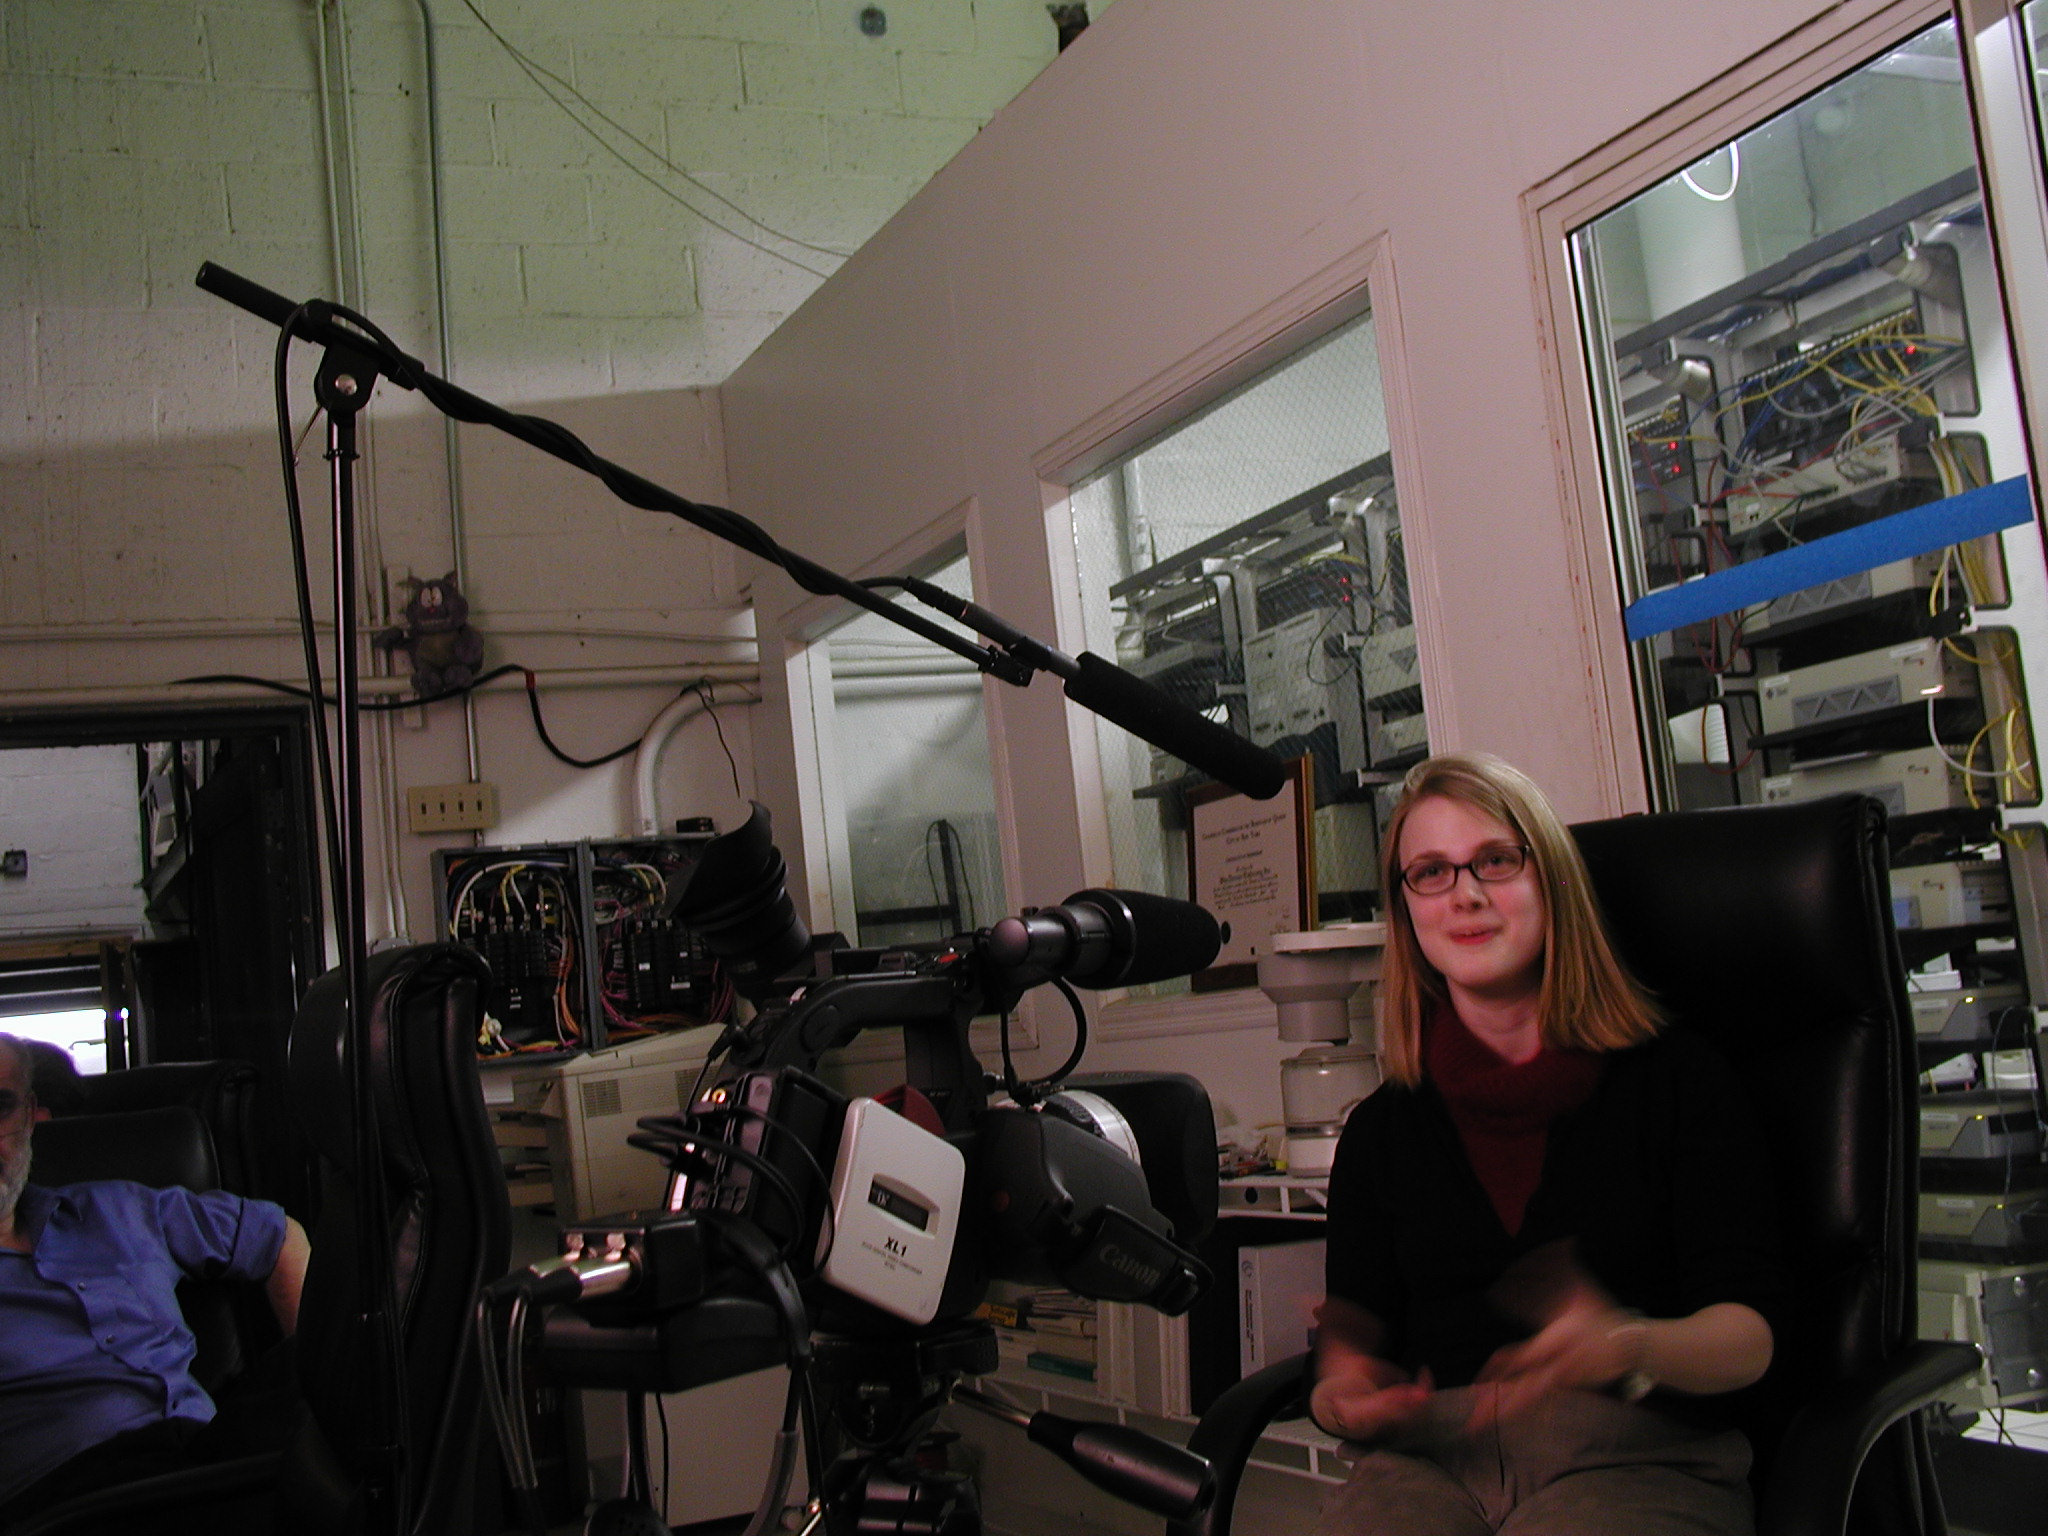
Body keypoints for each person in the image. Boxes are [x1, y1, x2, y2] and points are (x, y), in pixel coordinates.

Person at [1312, 754, 1786, 1536]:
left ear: (1552, 880)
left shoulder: (1680, 1082)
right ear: (1405, 910)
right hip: (1428, 1466)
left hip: (1632, 1462)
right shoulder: (1379, 1132)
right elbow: (1349, 1361)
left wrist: (1627, 1344)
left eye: (1495, 861)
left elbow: (1752, 1341)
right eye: (1430, 872)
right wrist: (1344, 1398)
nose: (1464, 894)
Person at [0, 1032, 312, 1521]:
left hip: (210, 1458)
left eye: (0, 1108)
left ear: (28, 1116)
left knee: (347, 1365)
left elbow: (277, 1236)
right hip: (73, 1500)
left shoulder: (119, 1208)